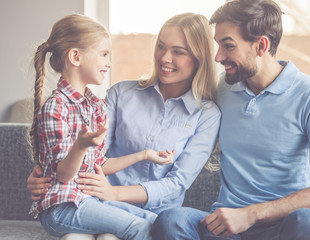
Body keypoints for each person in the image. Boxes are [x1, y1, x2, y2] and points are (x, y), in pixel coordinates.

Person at [152, 0, 310, 239]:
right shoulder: (222, 89)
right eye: (218, 45)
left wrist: (250, 214)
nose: (218, 57)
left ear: (261, 45)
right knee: (172, 219)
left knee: (308, 220)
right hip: (227, 227)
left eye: (228, 46)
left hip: (285, 226)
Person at [27, 12, 221, 240]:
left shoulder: (207, 114)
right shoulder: (121, 93)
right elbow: (89, 155)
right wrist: (45, 174)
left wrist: (115, 192)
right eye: (161, 47)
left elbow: (176, 184)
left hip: (149, 211)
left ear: (199, 58)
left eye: (178, 51)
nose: (164, 58)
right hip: (96, 201)